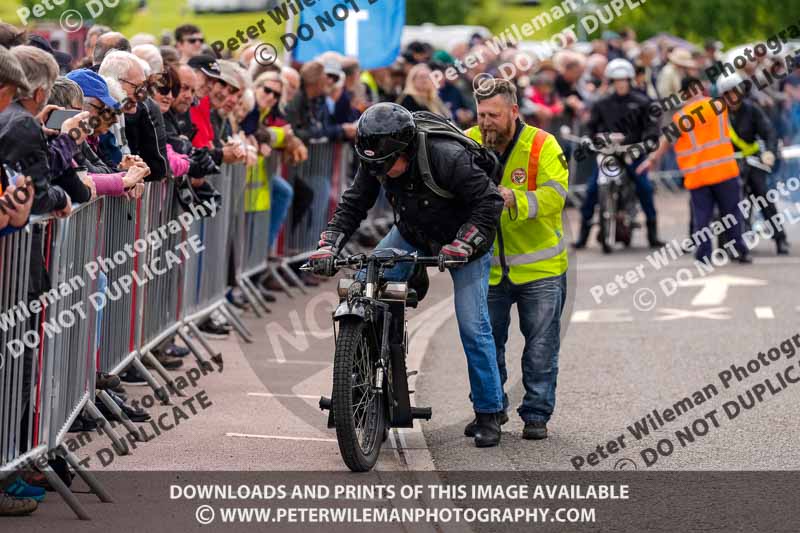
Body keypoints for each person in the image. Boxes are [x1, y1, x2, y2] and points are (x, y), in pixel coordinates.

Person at [308, 103, 507, 447]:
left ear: (407, 148)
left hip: (465, 242)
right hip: (412, 234)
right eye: (373, 165)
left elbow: (489, 202)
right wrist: (328, 246)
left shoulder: (446, 156)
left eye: (386, 164)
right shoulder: (375, 159)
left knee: (473, 326)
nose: (381, 172)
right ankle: (358, 382)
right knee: (361, 286)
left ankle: (489, 411)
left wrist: (463, 243)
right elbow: (354, 204)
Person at [464, 79, 568, 440]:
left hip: (540, 268)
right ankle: (489, 411)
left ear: (513, 111)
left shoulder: (542, 144)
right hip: (486, 268)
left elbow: (556, 196)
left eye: (494, 115)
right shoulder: (469, 140)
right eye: (481, 115)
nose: (486, 122)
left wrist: (517, 200)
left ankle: (536, 414)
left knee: (540, 347)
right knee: (486, 345)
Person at [642, 77, 752, 264]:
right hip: (724, 171)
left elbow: (666, 140)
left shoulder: (681, 118)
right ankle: (738, 250)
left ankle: (703, 255)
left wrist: (652, 159)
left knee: (703, 217)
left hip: (698, 176)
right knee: (732, 213)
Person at [574, 58, 665, 252]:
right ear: (611, 81)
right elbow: (591, 127)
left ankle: (653, 233)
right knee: (591, 190)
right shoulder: (602, 103)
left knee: (645, 188)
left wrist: (648, 141)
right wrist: (589, 139)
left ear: (630, 79)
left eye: (623, 79)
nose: (620, 83)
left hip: (632, 153)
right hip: (608, 154)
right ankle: (583, 235)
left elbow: (651, 126)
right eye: (616, 80)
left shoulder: (642, 101)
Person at [717, 73, 789, 255]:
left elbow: (769, 132)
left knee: (763, 195)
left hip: (751, 161)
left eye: (735, 92)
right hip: (727, 164)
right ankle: (723, 242)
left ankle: (780, 239)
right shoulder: (716, 115)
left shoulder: (752, 110)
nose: (732, 97)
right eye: (727, 93)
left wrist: (770, 152)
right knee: (722, 201)